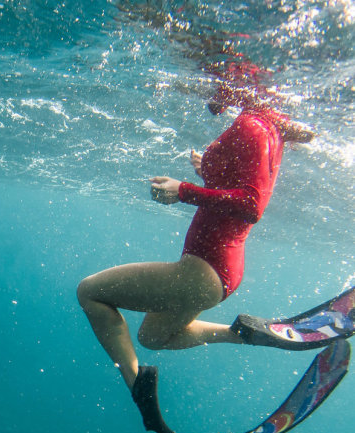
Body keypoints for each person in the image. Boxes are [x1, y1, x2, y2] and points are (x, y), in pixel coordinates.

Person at [76, 81, 314, 394]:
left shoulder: (251, 125)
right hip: (216, 270)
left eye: (218, 82)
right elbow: (239, 193)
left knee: (90, 292)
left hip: (205, 269)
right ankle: (242, 332)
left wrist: (184, 191)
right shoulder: (266, 127)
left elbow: (252, 204)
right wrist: (210, 174)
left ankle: (137, 387)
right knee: (152, 338)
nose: (209, 92)